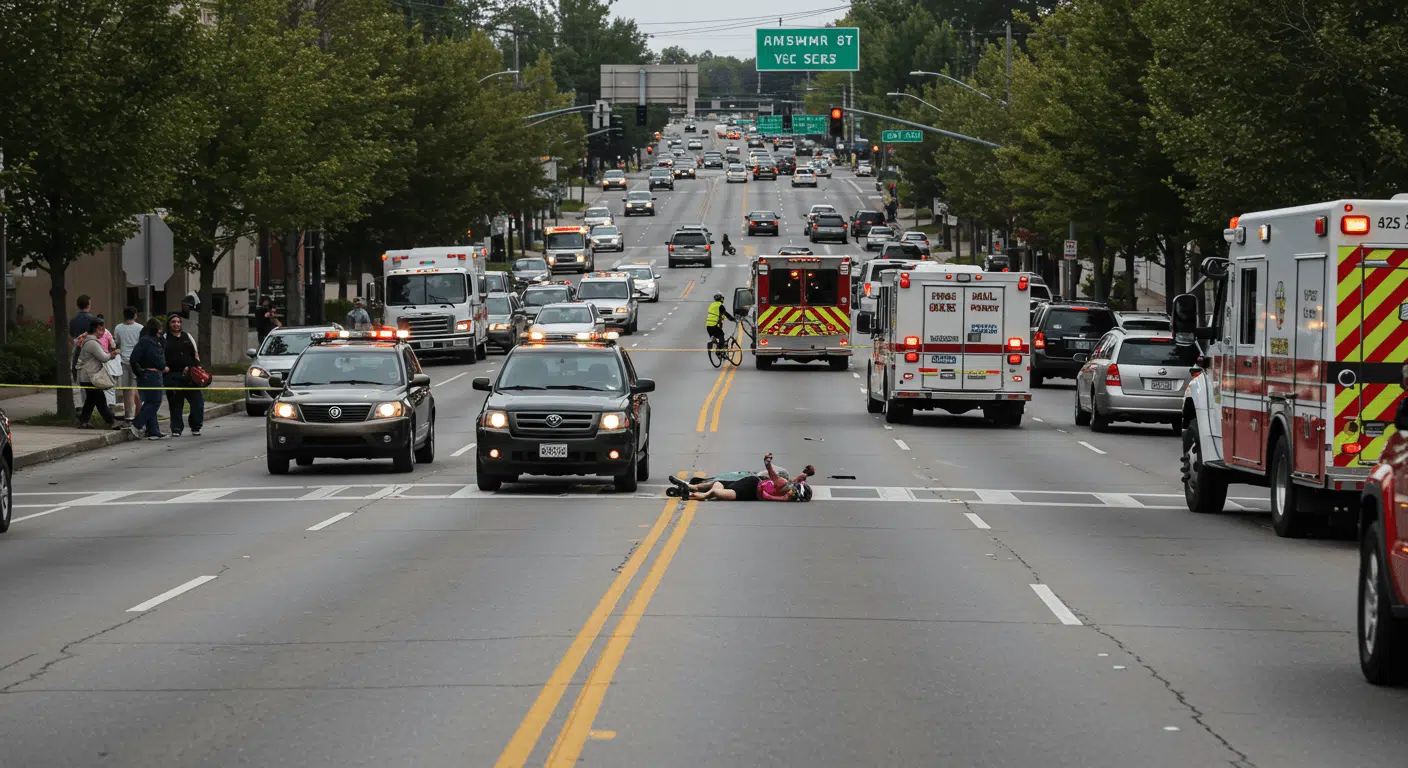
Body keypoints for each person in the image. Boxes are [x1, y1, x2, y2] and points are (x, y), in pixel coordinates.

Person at [669, 454, 815, 502]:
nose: (792, 495)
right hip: (750, 488)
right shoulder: (784, 485)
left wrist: (805, 475)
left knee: (718, 484)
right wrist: (768, 464)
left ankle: (689, 488)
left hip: (752, 486)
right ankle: (690, 493)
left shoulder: (786, 492)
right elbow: (774, 476)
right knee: (715, 492)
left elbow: (780, 483)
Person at [162, 314, 204, 437]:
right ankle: (176, 429)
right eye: (173, 322)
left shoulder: (187, 336)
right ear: (169, 324)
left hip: (190, 376)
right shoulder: (164, 338)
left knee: (197, 402)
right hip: (172, 376)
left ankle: (196, 426)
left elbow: (195, 354)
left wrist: (196, 367)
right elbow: (159, 355)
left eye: (178, 322)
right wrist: (164, 367)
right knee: (175, 404)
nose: (176, 324)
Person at [75, 318, 120, 430]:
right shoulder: (92, 343)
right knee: (101, 401)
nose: (103, 332)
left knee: (90, 401)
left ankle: (83, 422)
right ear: (97, 329)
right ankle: (111, 422)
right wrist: (113, 354)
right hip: (90, 377)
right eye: (102, 330)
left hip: (88, 377)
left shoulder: (90, 341)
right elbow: (103, 357)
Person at [128, 319, 168, 440]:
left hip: (152, 374)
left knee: (150, 402)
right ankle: (137, 424)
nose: (160, 332)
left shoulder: (155, 341)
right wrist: (141, 373)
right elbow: (133, 359)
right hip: (150, 375)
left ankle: (153, 430)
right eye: (159, 329)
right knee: (155, 402)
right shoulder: (146, 342)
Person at [113, 307, 143, 420]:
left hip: (123, 361)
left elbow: (116, 343)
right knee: (134, 389)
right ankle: (138, 414)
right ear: (135, 315)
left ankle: (130, 414)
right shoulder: (140, 328)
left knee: (127, 389)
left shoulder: (118, 328)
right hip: (137, 362)